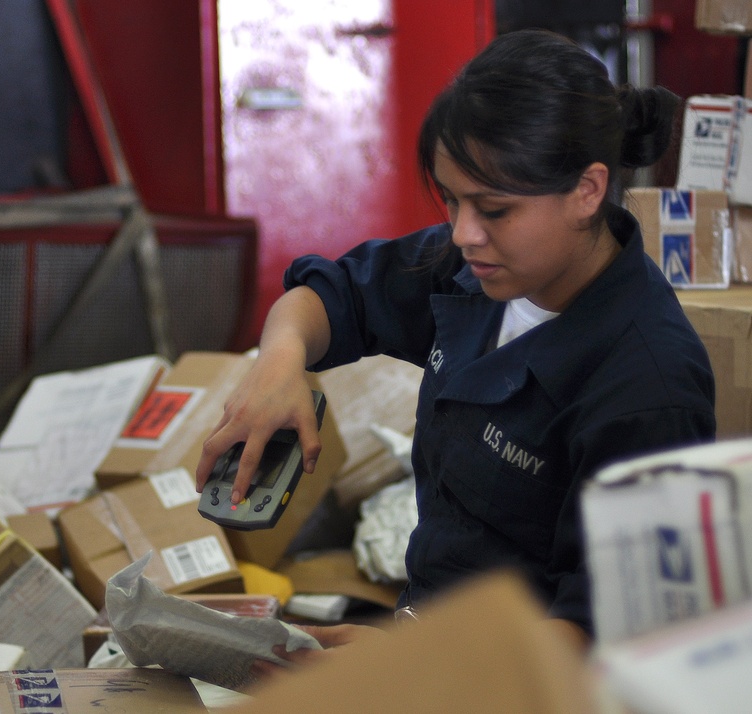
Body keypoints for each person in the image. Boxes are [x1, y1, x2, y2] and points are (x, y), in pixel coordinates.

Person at [195, 27, 717, 661]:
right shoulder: (476, 271)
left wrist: (411, 670)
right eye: (451, 200)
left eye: (493, 209)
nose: (464, 233)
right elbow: (331, 297)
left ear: (587, 190)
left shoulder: (647, 385)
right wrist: (276, 365)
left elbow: (596, 638)